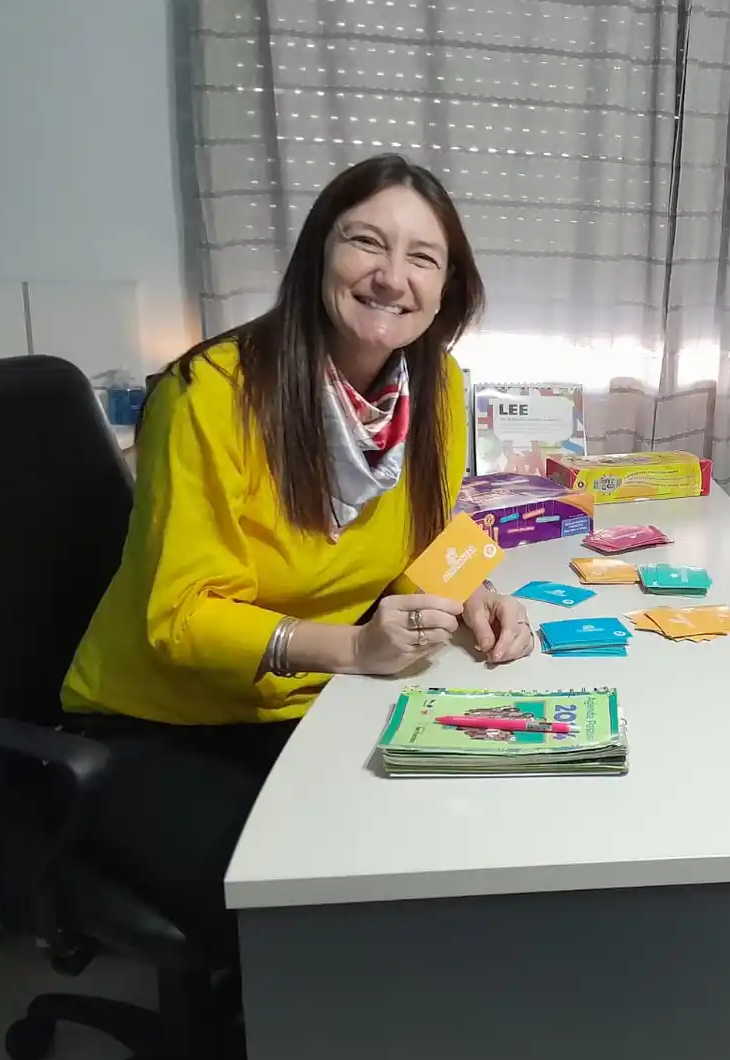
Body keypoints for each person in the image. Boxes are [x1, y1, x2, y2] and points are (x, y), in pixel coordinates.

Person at [59, 154, 534, 955]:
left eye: (423, 257)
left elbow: (424, 537)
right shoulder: (209, 394)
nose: (391, 277)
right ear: (320, 253)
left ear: (448, 289)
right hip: (161, 722)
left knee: (449, 846)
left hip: (313, 699)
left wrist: (474, 588)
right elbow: (180, 618)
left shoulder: (438, 386)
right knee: (310, 908)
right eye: (366, 243)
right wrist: (353, 646)